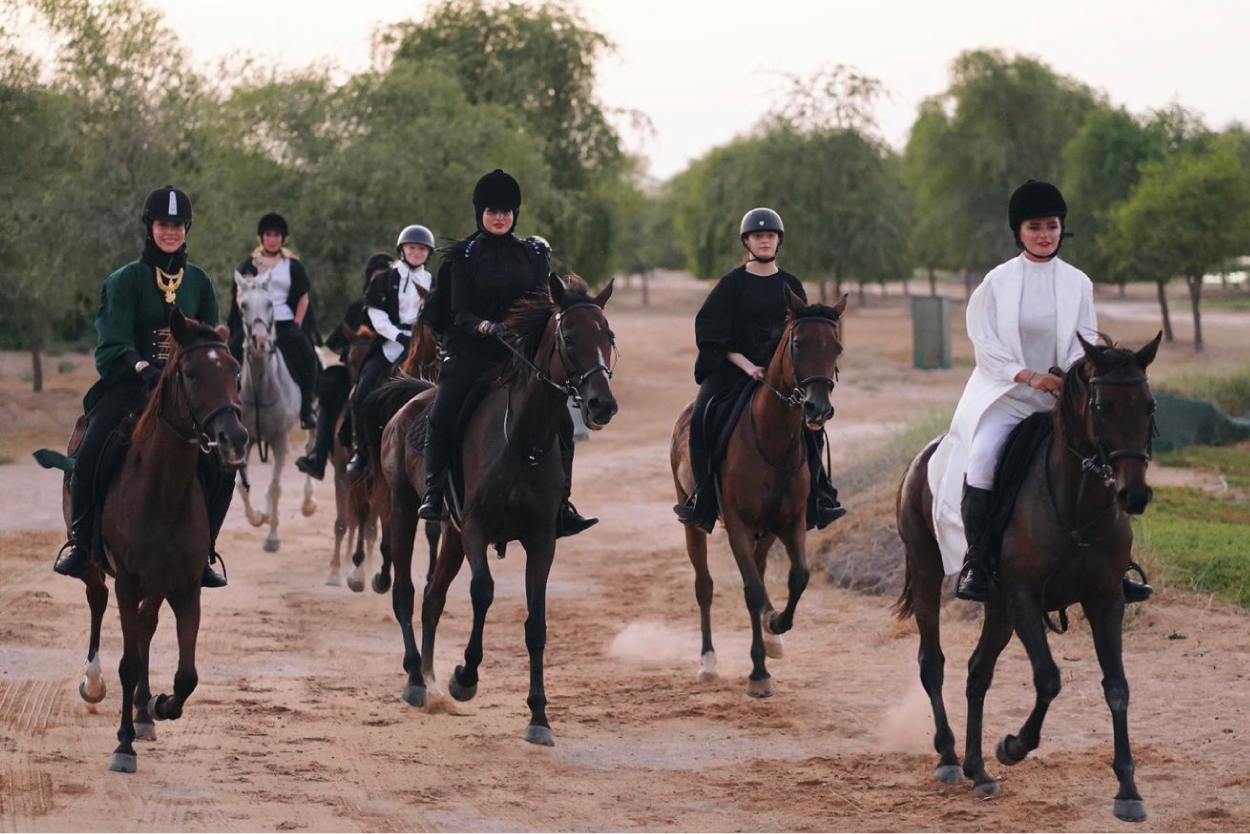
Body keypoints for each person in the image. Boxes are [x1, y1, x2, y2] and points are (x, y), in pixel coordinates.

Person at [929, 180, 1152, 603]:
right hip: (1006, 395)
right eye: (1035, 227)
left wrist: (1065, 378)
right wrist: (1028, 376)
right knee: (982, 460)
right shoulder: (997, 282)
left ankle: (1116, 566)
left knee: (1107, 459)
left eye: (1051, 225)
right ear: (1020, 232)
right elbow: (985, 343)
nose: (1045, 234)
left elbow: (1083, 341)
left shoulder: (1078, 283)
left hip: (1064, 397)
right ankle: (977, 561)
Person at [53, 185, 229, 587]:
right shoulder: (124, 280)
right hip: (130, 385)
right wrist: (142, 367)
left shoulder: (200, 283)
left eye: (178, 225)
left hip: (185, 393)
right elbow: (112, 340)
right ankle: (82, 546)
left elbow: (208, 342)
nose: (171, 231)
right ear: (150, 227)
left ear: (187, 229)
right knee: (92, 449)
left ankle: (204, 551)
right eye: (163, 224)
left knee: (222, 463)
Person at [416, 169, 595, 538]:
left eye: (507, 211)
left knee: (561, 421)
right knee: (445, 408)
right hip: (471, 352)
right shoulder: (463, 256)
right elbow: (457, 312)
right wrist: (486, 326)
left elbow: (544, 305)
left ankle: (561, 504)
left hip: (519, 357)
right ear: (480, 212)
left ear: (515, 214)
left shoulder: (532, 254)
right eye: (493, 210)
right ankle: (434, 490)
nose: (500, 217)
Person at [674, 207, 846, 533]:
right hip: (732, 370)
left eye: (770, 236)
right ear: (747, 242)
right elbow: (710, 333)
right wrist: (748, 366)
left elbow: (804, 336)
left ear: (778, 241)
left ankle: (819, 499)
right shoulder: (731, 284)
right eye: (758, 236)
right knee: (701, 419)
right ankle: (704, 501)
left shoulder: (791, 284)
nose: (764, 240)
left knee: (813, 427)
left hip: (781, 377)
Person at [345, 226, 436, 475]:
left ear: (428, 253)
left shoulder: (433, 282)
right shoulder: (385, 278)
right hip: (389, 342)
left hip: (425, 343)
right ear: (403, 250)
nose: (416, 252)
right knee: (362, 391)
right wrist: (397, 334)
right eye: (412, 247)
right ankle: (362, 452)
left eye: (422, 249)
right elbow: (375, 312)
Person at [296, 252, 392, 480]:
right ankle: (318, 458)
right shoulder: (358, 307)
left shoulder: (398, 309)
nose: (378, 281)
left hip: (389, 367)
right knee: (328, 389)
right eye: (375, 276)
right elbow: (338, 340)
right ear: (368, 279)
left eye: (384, 277)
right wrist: (354, 345)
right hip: (355, 370)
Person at [228, 213, 320, 429]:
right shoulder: (249, 264)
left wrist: (298, 323)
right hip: (254, 322)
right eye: (268, 235)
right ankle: (230, 405)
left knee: (308, 356)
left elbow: (303, 297)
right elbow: (239, 294)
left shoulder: (293, 265)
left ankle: (306, 409)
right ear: (261, 237)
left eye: (277, 235)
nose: (272, 239)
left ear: (283, 238)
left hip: (285, 322)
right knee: (230, 353)